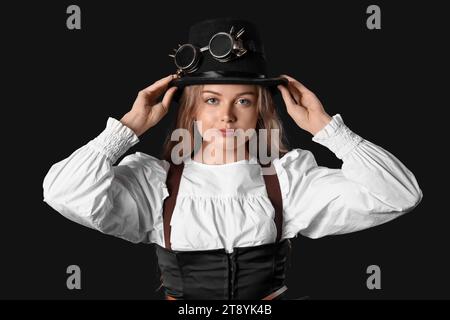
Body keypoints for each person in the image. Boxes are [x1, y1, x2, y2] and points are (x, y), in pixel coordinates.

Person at [42, 18, 423, 300]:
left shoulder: (289, 180)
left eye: (242, 100)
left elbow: (400, 195)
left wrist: (328, 129)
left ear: (258, 109)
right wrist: (125, 130)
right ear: (191, 109)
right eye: (211, 100)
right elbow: (63, 193)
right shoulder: (152, 184)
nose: (226, 116)